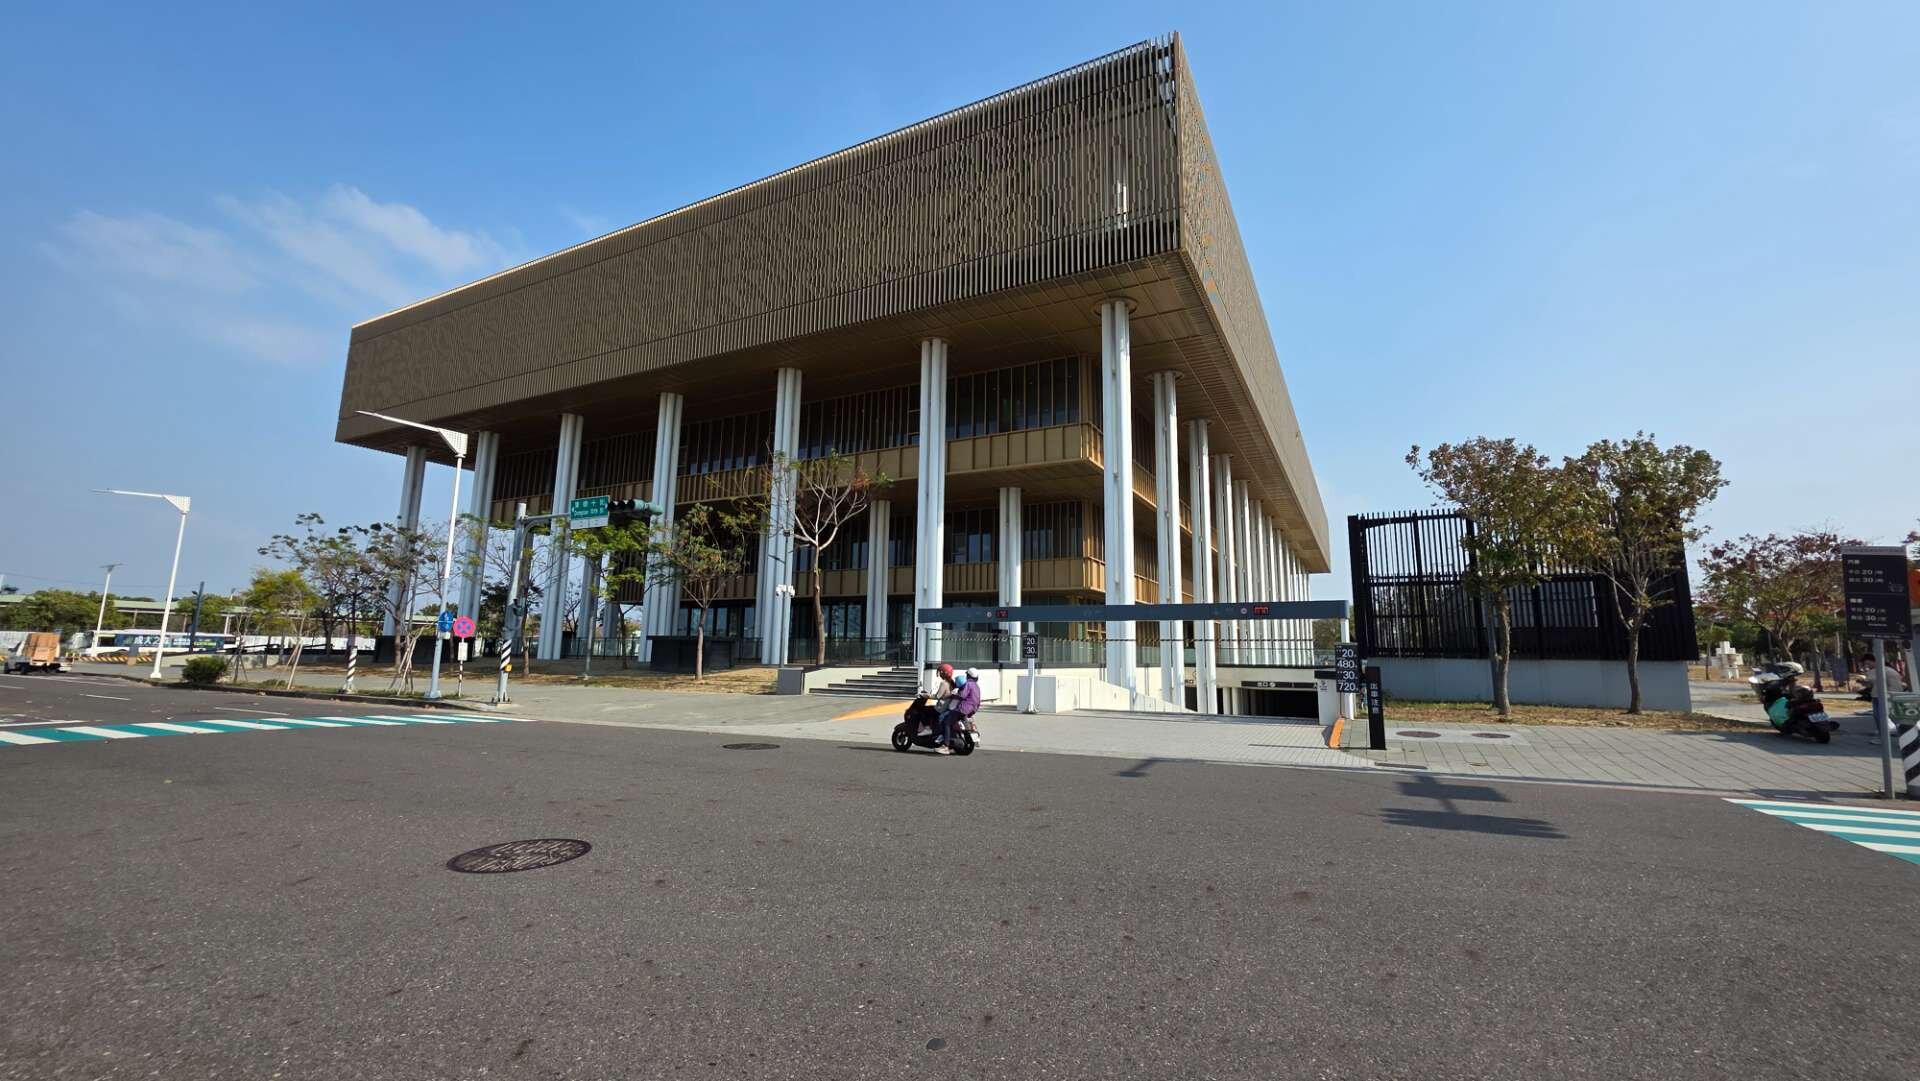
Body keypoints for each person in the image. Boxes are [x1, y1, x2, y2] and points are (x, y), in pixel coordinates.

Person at [935, 666, 982, 755]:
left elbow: (962, 695)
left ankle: (945, 746)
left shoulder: (968, 684)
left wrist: (953, 695)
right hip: (972, 710)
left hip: (963, 708)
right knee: (959, 722)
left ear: (968, 675)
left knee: (946, 722)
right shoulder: (976, 686)